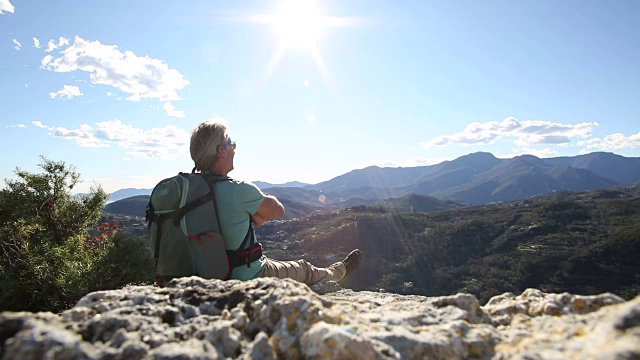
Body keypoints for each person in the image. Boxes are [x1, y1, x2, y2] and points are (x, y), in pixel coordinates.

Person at [189, 120, 361, 285]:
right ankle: (338, 272)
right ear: (222, 151)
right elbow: (277, 210)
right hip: (246, 276)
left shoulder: (180, 191)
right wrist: (257, 209)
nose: (234, 149)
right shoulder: (237, 190)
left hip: (194, 275)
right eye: (231, 144)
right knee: (304, 268)